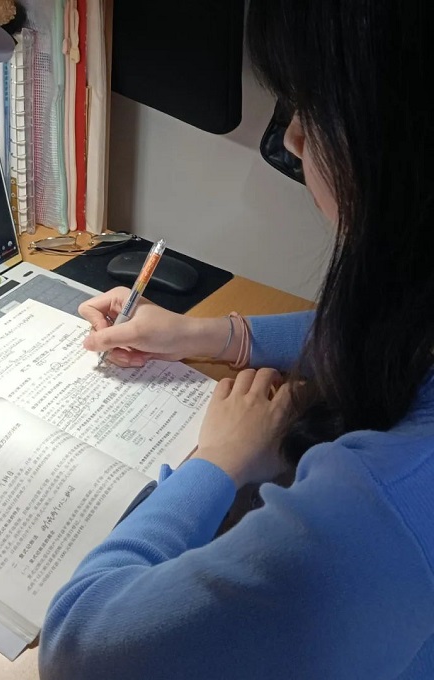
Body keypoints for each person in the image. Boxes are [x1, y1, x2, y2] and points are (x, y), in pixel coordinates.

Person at [38, 1, 434, 678]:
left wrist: (217, 462)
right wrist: (208, 334)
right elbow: (400, 344)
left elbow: (82, 651)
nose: (295, 138)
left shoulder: (371, 514)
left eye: (312, 105)